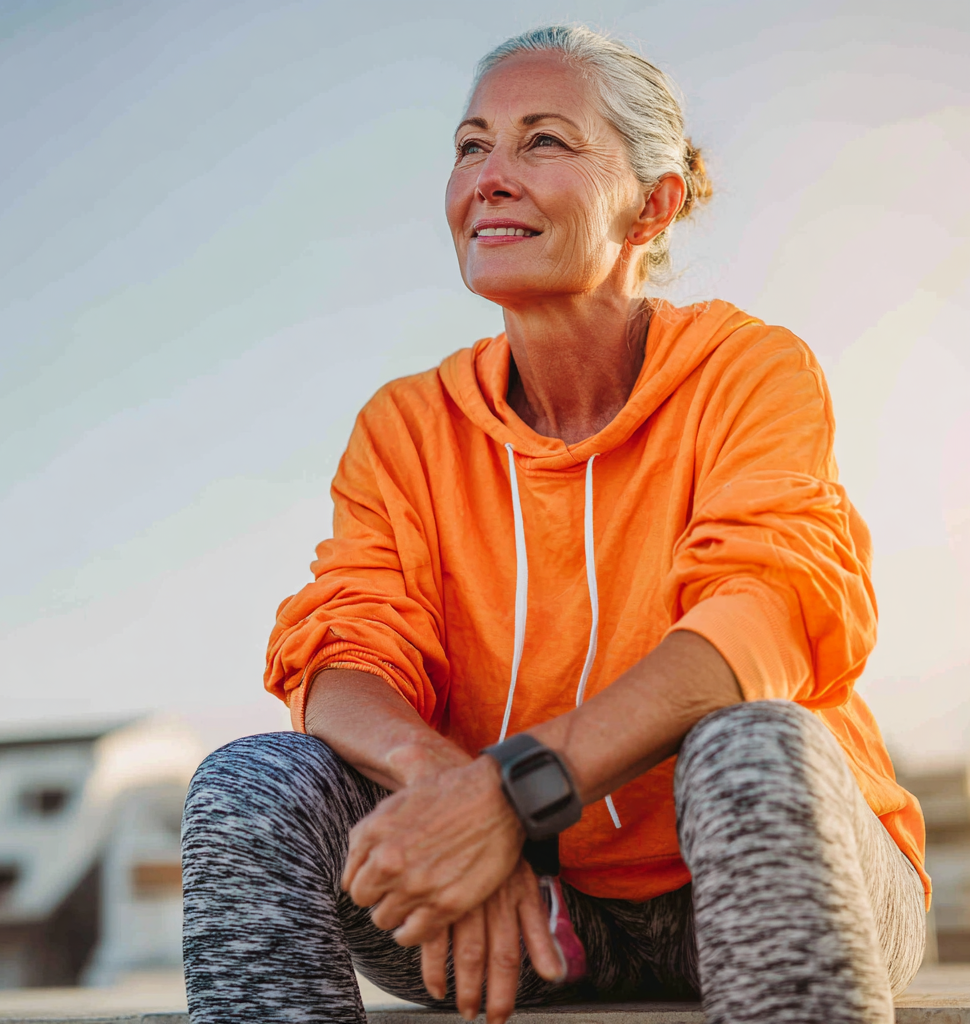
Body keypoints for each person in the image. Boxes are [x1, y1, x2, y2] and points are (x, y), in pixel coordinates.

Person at [181, 24, 928, 1024]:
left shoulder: (749, 371)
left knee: (753, 747)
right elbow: (342, 648)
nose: (488, 177)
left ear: (652, 205)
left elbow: (767, 610)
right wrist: (447, 788)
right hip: (522, 905)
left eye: (542, 140)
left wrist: (512, 787)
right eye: (470, 146)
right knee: (250, 785)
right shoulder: (405, 427)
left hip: (761, 866)